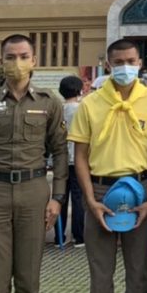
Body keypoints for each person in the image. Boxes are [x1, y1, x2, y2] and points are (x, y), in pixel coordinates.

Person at [0, 35, 68, 293]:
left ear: (34, 61)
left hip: (33, 191)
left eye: (23, 57)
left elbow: (60, 151)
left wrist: (58, 198)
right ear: (1, 61)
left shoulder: (48, 101)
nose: (17, 63)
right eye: (10, 57)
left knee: (28, 278)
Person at [70, 38, 147, 293]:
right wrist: (89, 199)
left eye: (130, 61)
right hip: (100, 190)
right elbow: (80, 155)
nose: (125, 67)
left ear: (140, 63)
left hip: (141, 189)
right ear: (108, 65)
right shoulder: (90, 104)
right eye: (118, 62)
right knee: (100, 273)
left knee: (139, 272)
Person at [57, 75, 85, 248]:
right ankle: (79, 236)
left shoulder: (58, 109)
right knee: (78, 196)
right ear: (79, 90)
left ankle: (59, 236)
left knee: (60, 196)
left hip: (60, 158)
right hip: (78, 158)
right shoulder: (82, 109)